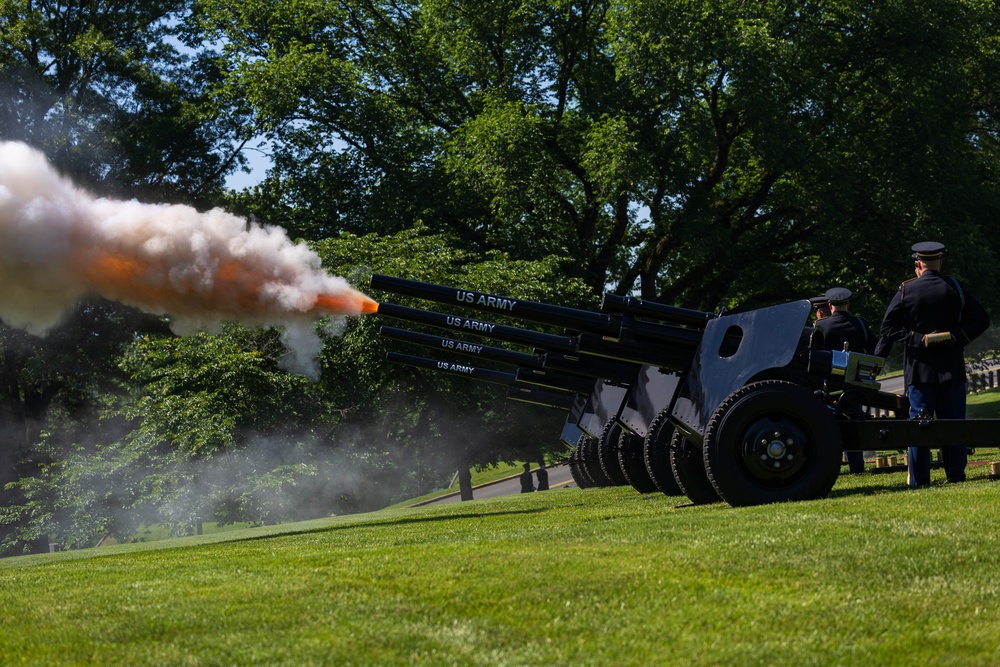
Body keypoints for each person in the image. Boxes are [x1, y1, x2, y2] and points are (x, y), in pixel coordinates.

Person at [874, 242, 991, 487]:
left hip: (920, 370)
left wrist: (918, 339)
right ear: (940, 262)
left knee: (920, 425)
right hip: (951, 367)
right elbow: (981, 318)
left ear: (918, 264)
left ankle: (920, 479)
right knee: (953, 423)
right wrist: (956, 337)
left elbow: (888, 329)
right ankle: (955, 474)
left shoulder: (906, 290)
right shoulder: (955, 287)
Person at [814, 287, 877, 474]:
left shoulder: (821, 326)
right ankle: (857, 467)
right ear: (848, 304)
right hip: (855, 383)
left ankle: (830, 466)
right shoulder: (860, 323)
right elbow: (873, 348)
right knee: (853, 421)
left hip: (828, 383)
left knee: (828, 425)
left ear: (830, 305)